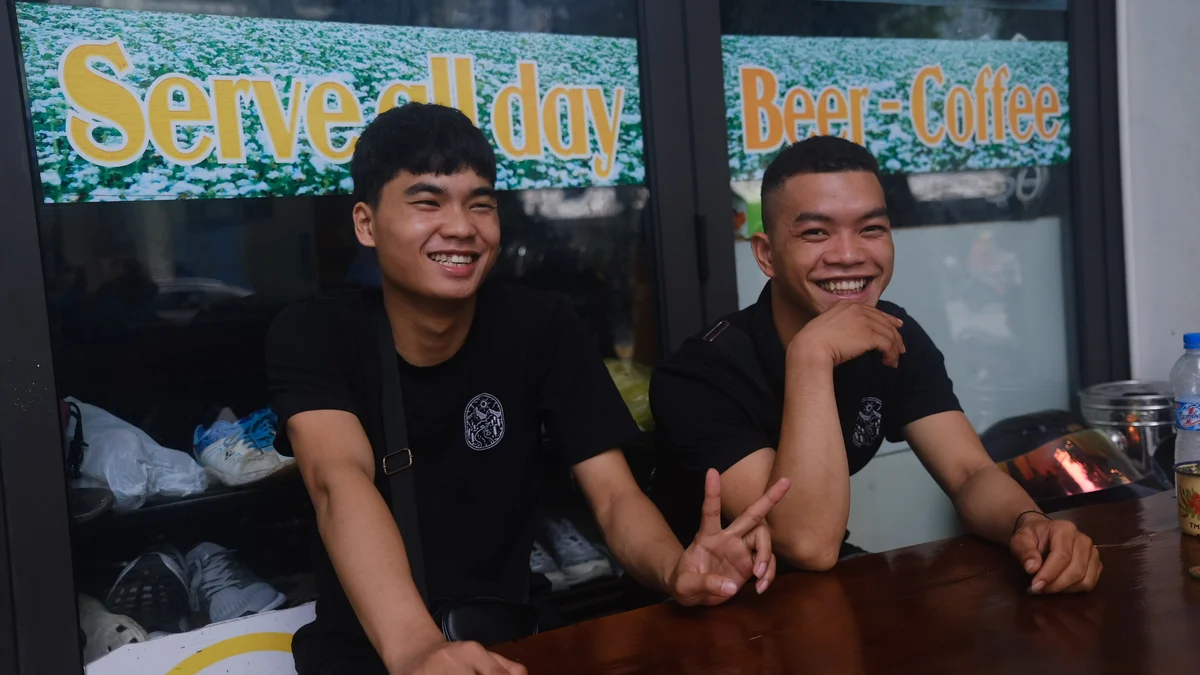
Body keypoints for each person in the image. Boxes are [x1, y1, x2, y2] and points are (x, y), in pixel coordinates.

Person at [266, 102, 791, 675]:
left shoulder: (542, 325)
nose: (461, 227)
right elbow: (337, 483)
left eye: (480, 204)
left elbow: (613, 494)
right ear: (366, 223)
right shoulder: (315, 333)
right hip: (372, 651)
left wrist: (676, 568)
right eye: (427, 202)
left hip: (511, 633)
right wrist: (417, 649)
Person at [650, 135, 1101, 595]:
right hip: (698, 604)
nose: (850, 255)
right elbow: (805, 544)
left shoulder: (890, 332)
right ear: (767, 254)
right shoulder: (698, 377)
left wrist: (1030, 523)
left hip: (814, 594)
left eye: (871, 229)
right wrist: (811, 356)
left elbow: (970, 472)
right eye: (816, 233)